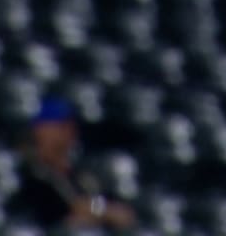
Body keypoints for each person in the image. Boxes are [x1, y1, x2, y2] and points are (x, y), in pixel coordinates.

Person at [11, 97, 137, 231]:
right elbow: (63, 212)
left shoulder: (80, 173)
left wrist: (99, 210)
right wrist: (99, 212)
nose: (69, 132)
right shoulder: (28, 173)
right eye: (60, 126)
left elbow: (96, 203)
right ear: (38, 129)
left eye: (70, 125)